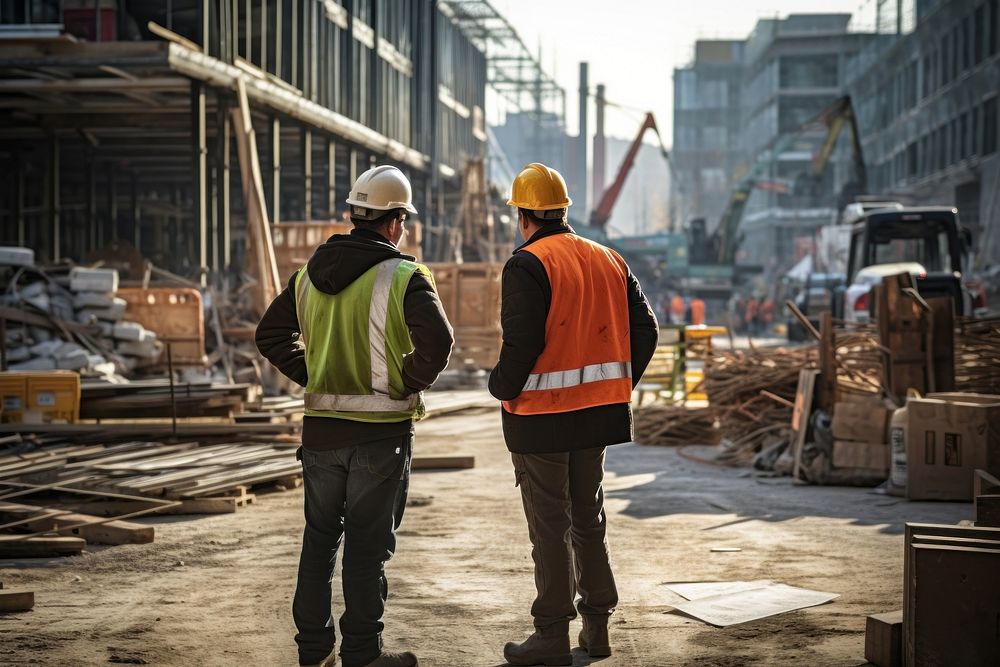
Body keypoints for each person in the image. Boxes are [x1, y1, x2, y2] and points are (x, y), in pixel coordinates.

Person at [255, 165, 454, 667]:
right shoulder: (405, 276)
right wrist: (404, 381)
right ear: (392, 223)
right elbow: (440, 343)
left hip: (321, 436)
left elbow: (269, 336)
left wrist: (317, 374)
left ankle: (312, 651)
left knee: (319, 542)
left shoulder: (305, 277)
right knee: (366, 550)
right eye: (403, 221)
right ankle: (363, 654)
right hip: (380, 438)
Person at [489, 163, 658, 666]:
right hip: (597, 418)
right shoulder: (609, 258)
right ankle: (597, 629)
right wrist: (615, 388)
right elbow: (646, 331)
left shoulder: (528, 263)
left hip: (541, 418)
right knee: (588, 519)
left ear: (523, 215)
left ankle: (551, 635)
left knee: (550, 524)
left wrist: (499, 385)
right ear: (562, 210)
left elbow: (523, 345)